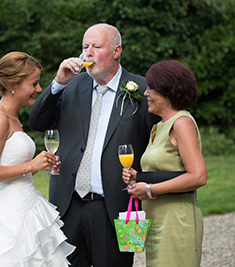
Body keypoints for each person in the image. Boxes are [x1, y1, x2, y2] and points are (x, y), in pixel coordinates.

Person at [28, 23, 180, 267]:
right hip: (67, 205)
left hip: (114, 207)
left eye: (96, 47)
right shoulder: (71, 85)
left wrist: (150, 180)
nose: (88, 53)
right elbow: (36, 121)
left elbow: (160, 146)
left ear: (117, 51)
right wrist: (58, 82)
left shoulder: (142, 90)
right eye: (84, 47)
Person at [0, 51, 75, 266]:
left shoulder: (13, 118)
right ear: (13, 84)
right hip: (9, 217)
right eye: (34, 84)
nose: (38, 89)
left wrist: (38, 165)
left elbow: (8, 164)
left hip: (27, 207)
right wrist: (30, 165)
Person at [122, 60, 208, 266]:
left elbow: (198, 176)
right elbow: (167, 169)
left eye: (151, 89)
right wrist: (138, 177)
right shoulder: (159, 126)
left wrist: (150, 189)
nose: (145, 94)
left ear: (169, 92)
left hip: (176, 221)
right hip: (156, 218)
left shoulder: (181, 123)